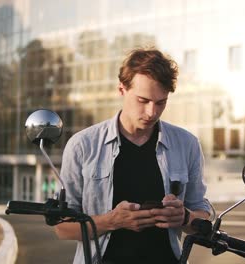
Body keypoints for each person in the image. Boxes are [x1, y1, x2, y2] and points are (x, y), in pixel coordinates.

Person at [55, 47, 214, 264]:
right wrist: (112, 221)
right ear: (122, 89)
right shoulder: (83, 145)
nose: (152, 112)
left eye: (161, 102)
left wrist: (186, 217)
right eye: (143, 100)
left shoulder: (187, 144)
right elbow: (62, 227)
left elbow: (202, 216)